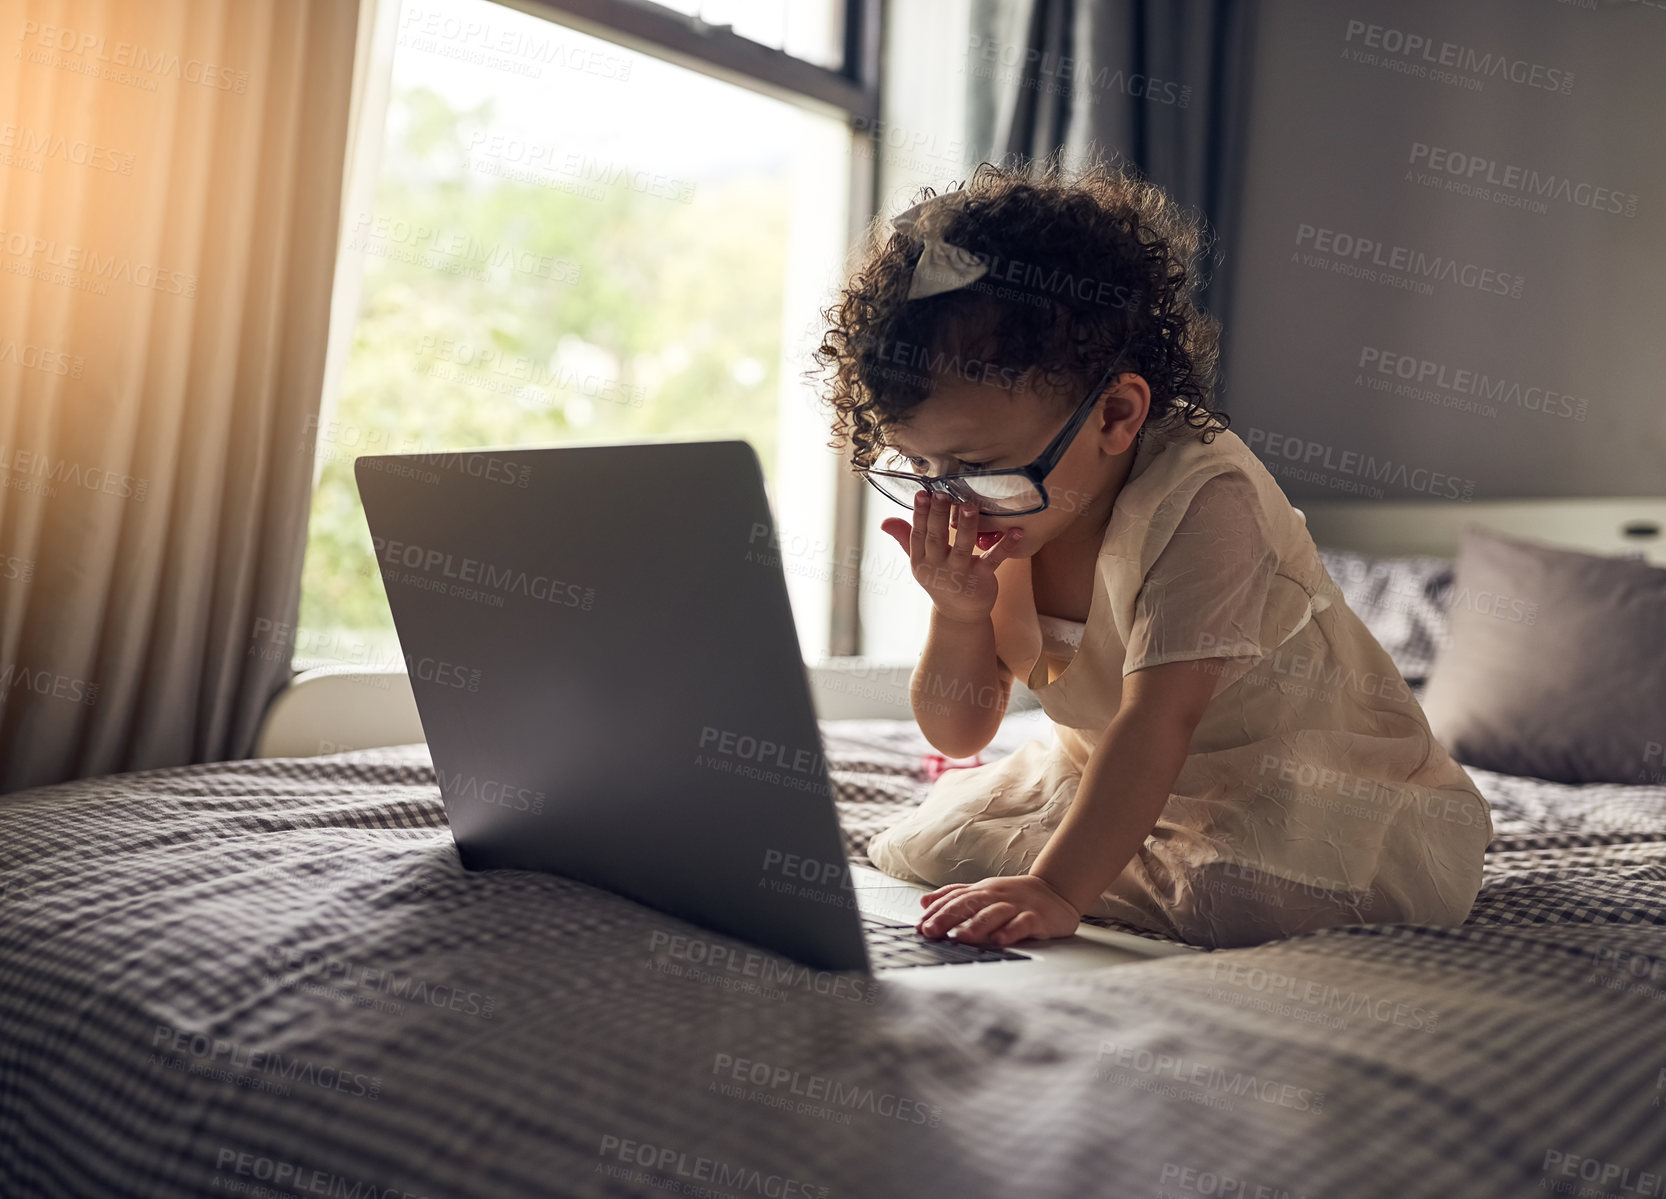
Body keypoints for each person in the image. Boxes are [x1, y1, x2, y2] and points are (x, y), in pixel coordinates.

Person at [812, 156, 1492, 950]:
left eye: (976, 467)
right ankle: (1101, 851)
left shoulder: (1205, 499)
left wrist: (1058, 889)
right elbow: (960, 733)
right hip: (1113, 770)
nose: (954, 500)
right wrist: (960, 611)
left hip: (1279, 779)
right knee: (933, 844)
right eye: (923, 469)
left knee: (1234, 889)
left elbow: (1160, 719)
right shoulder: (1011, 516)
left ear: (1117, 414)